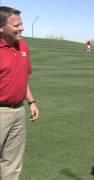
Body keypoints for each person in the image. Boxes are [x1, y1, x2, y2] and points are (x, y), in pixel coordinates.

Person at [0, 6, 39, 180]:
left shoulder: (23, 46)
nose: (21, 28)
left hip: (18, 111)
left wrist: (31, 102)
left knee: (13, 163)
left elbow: (23, 78)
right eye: (16, 25)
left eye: (22, 24)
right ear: (1, 27)